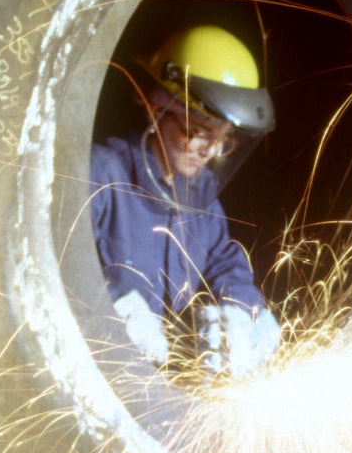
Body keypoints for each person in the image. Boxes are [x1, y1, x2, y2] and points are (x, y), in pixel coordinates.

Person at [91, 25, 282, 376]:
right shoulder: (101, 175)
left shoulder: (201, 203)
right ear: (155, 108)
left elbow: (225, 264)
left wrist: (243, 310)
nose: (208, 152)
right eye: (199, 132)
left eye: (222, 140)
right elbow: (54, 250)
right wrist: (111, 300)